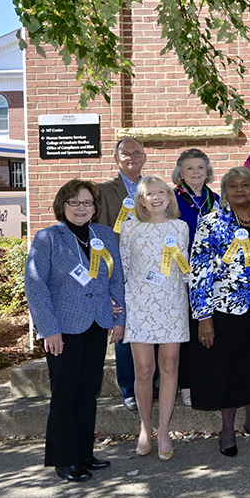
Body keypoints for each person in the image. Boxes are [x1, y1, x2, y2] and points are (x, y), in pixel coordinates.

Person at [25, 179, 126, 481]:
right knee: (65, 395)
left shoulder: (105, 235)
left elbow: (116, 279)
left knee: (87, 393)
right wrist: (49, 329)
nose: (81, 208)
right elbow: (35, 285)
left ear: (95, 208)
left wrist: (119, 319)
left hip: (97, 323)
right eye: (74, 202)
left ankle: (84, 453)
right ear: (62, 205)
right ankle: (64, 459)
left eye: (87, 203)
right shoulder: (48, 238)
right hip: (63, 329)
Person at [188, 167, 250, 457]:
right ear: (224, 192)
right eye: (233, 186)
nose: (240, 190)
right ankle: (228, 428)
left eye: (246, 185)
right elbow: (199, 271)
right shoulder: (211, 223)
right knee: (227, 370)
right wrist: (203, 316)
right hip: (225, 310)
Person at [120, 175, 189, 461]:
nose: (157, 197)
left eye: (163, 192)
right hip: (139, 306)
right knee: (144, 371)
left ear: (170, 198)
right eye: (150, 193)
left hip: (171, 304)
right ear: (141, 200)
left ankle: (164, 429)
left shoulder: (180, 227)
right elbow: (123, 269)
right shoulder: (130, 228)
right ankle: (145, 429)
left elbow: (185, 269)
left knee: (170, 366)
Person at [98, 136, 147, 411]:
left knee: (148, 327)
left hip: (151, 271)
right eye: (126, 153)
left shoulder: (153, 187)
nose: (132, 157)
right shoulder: (104, 191)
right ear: (117, 158)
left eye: (137, 153)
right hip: (119, 270)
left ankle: (149, 382)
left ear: (144, 157)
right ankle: (129, 388)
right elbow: (101, 230)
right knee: (125, 329)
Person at [172, 148, 218, 407]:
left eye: (201, 168)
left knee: (209, 330)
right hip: (182, 275)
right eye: (190, 168)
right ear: (180, 173)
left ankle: (207, 380)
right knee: (188, 332)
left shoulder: (217, 199)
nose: (196, 173)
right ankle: (187, 385)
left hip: (211, 278)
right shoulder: (172, 199)